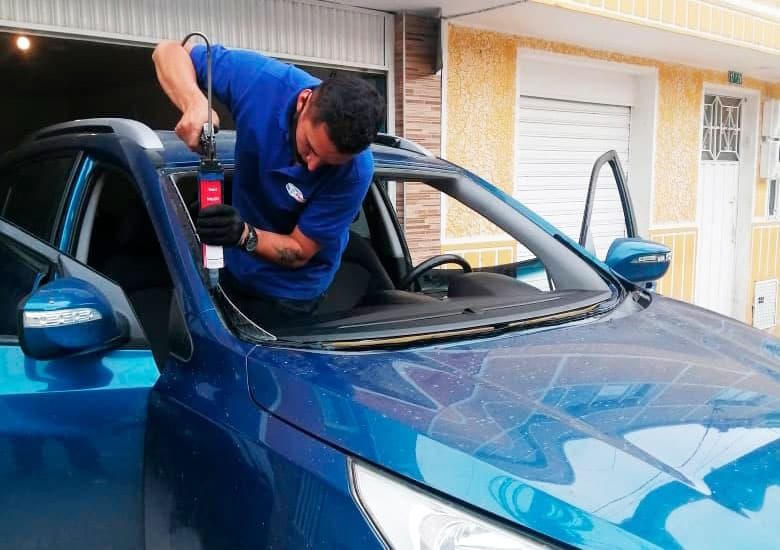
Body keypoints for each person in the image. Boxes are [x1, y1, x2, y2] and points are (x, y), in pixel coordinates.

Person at [152, 41, 385, 328]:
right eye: (310, 147)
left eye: (328, 162)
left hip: (291, 295)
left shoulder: (356, 172)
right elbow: (169, 51)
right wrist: (194, 102)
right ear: (304, 102)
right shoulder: (261, 83)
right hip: (231, 269)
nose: (312, 166)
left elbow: (299, 250)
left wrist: (241, 234)